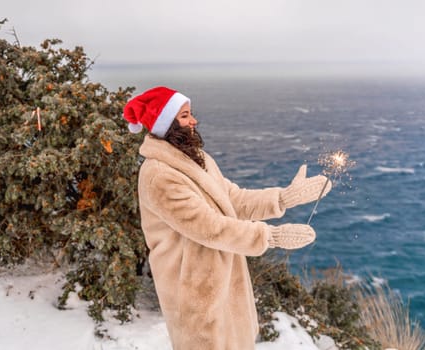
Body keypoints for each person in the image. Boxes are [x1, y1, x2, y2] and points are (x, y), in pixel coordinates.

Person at [123, 86, 331, 350]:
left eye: (191, 114)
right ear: (166, 124)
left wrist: (283, 198)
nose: (193, 121)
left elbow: (232, 199)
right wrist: (271, 236)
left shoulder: (198, 159)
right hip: (195, 292)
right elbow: (209, 227)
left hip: (226, 286)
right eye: (185, 116)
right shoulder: (158, 175)